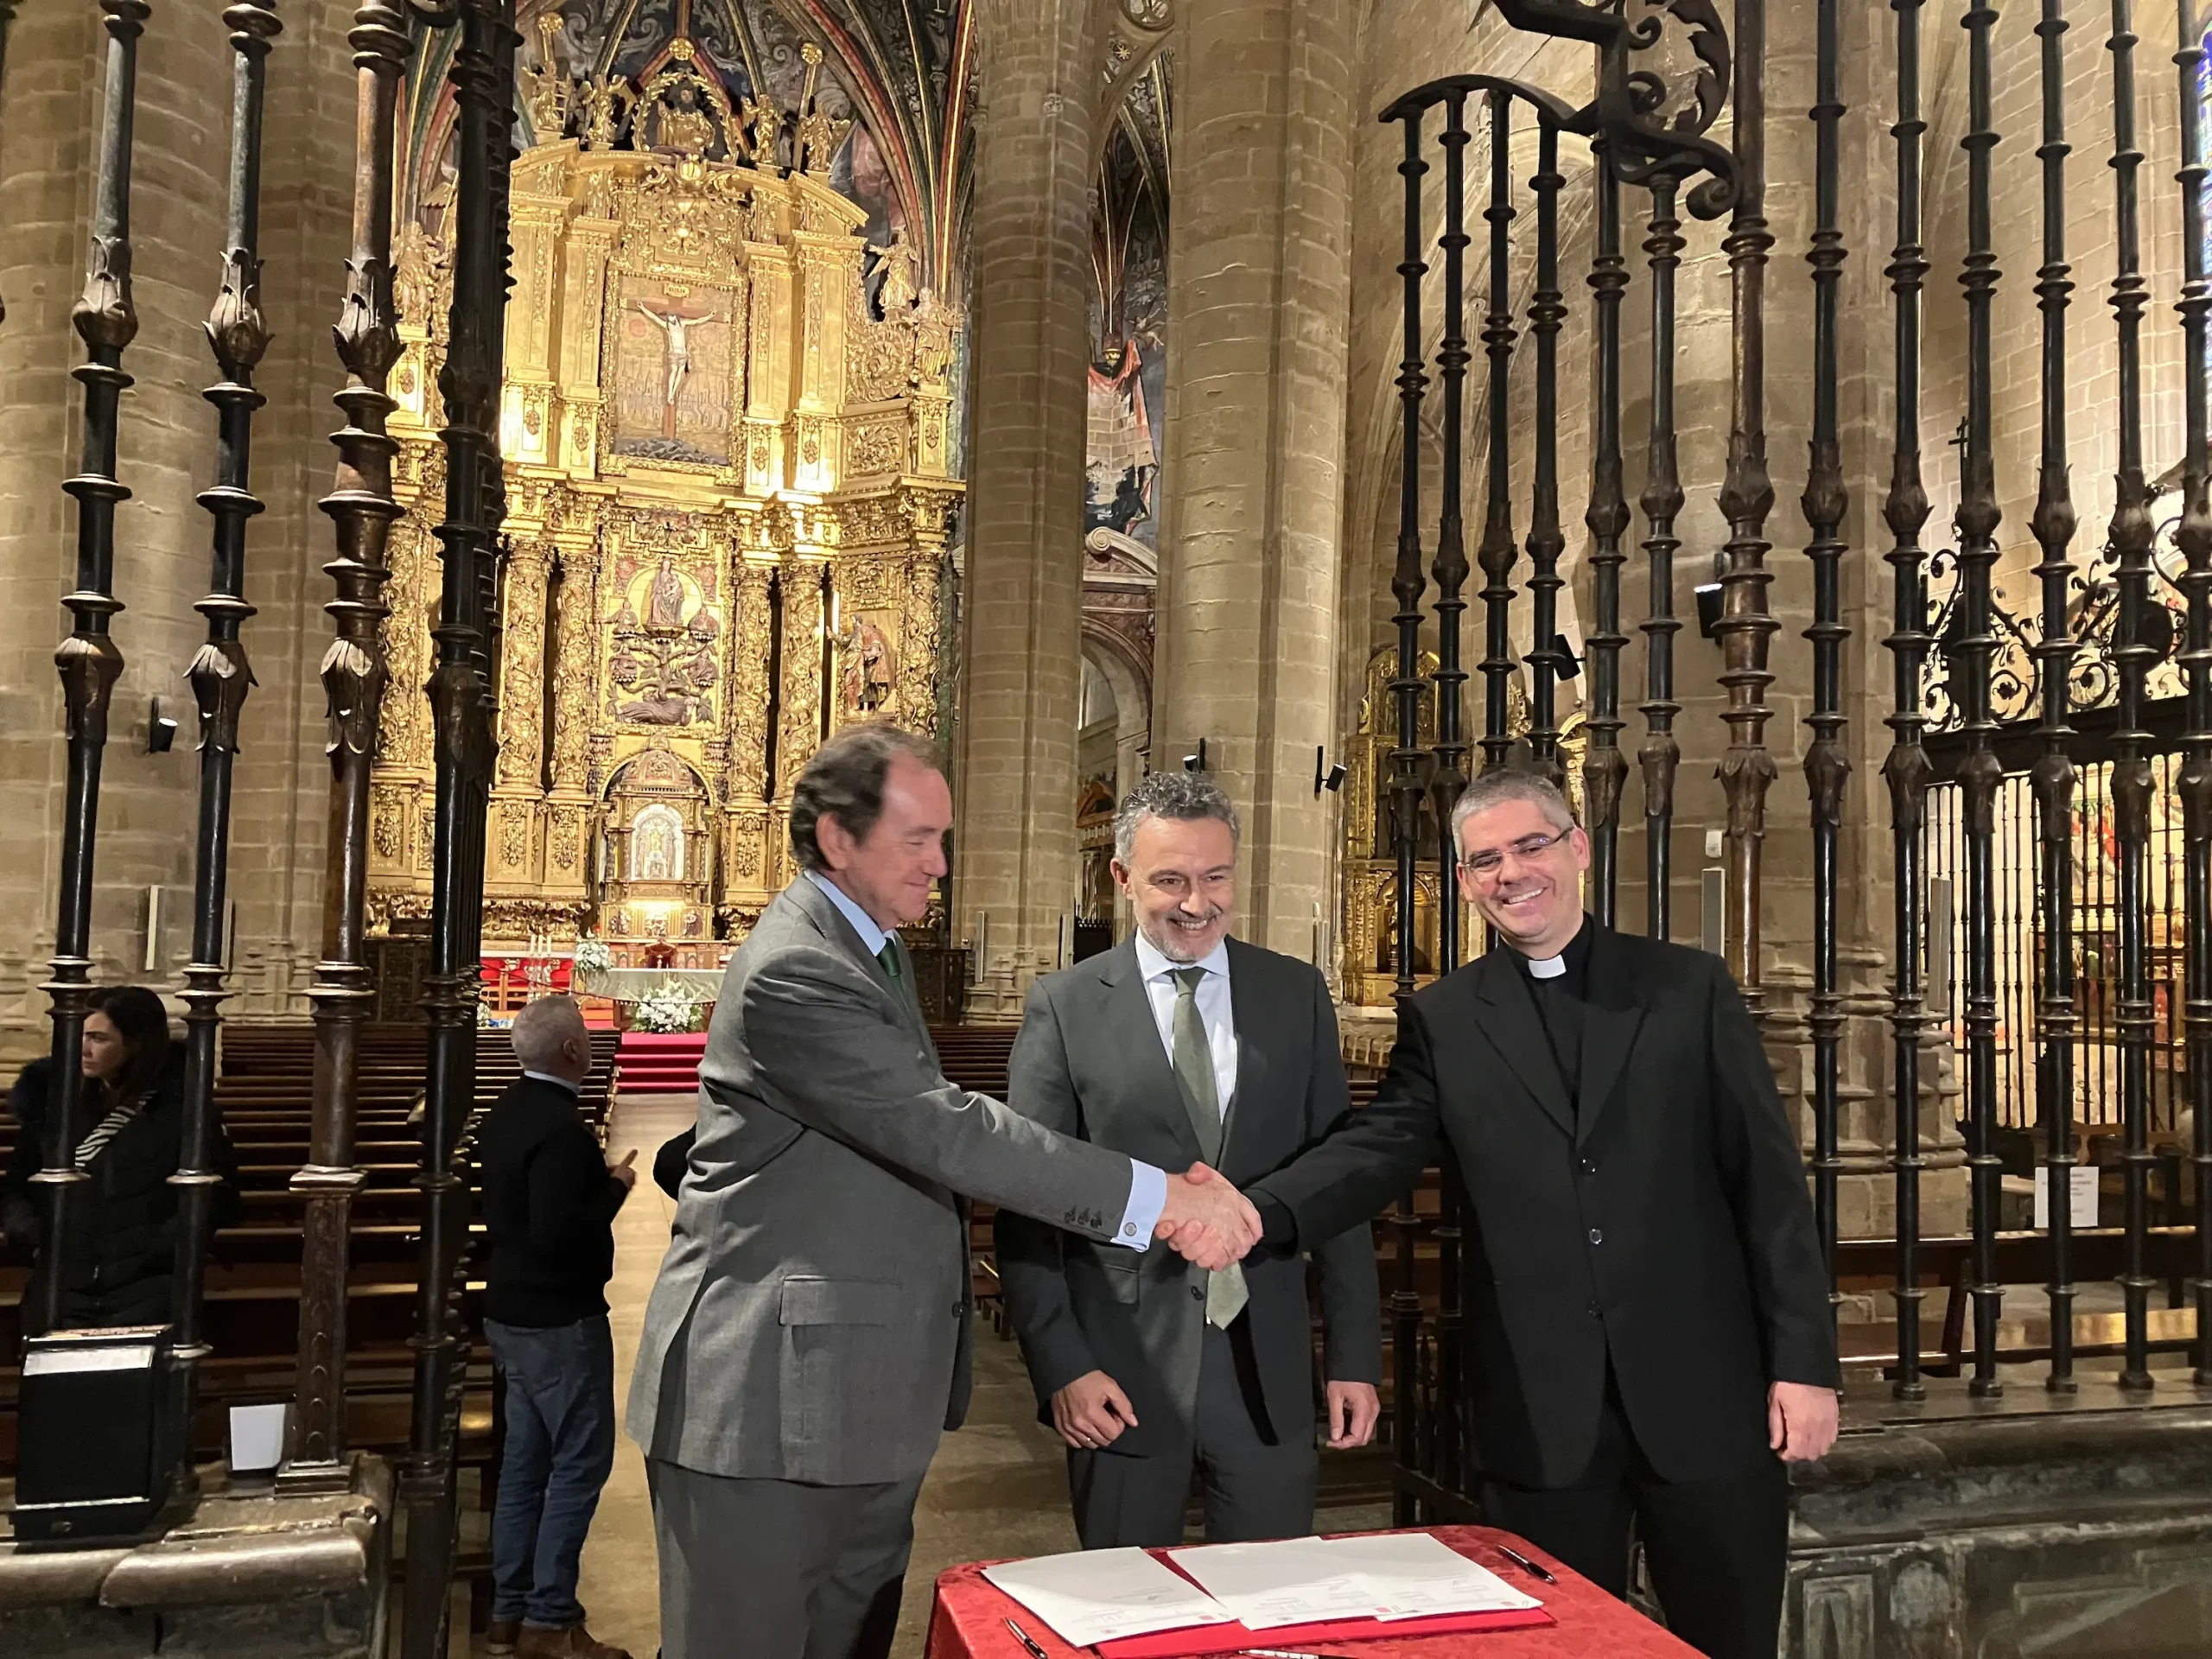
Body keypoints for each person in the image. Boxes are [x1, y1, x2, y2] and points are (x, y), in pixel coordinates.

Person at [626, 724, 1262, 1659]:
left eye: (943, 838)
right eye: (918, 838)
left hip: (850, 1398)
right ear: (838, 838)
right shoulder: (800, 965)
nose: (941, 862)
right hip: (765, 1411)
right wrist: (1161, 1198)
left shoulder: (865, 949)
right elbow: (947, 1130)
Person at [1245, 769, 1840, 1659]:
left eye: (1530, 846)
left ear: (1578, 849)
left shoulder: (1686, 988)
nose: (1511, 873)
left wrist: (1805, 1365)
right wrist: (1255, 1211)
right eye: (1485, 860)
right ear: (1463, 881)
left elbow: (1771, 1188)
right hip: (1541, 1412)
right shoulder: (1445, 1018)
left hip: (1707, 1400)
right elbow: (1378, 1149)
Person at [996, 770, 1382, 1547]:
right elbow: (1028, 1202)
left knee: (1271, 1600)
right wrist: (1062, 1366)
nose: (1197, 903)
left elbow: (1337, 1184)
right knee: (1130, 1601)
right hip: (1121, 1376)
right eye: (1170, 880)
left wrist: (1353, 1355)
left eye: (1216, 878)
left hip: (1267, 1370)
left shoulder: (1295, 994)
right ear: (1122, 877)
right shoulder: (1066, 1005)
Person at [478, 995, 636, 1659]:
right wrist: (614, 1188)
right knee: (576, 1466)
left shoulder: (505, 1112)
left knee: (524, 1466)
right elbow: (557, 1233)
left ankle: (508, 1611)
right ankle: (549, 1622)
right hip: (558, 1318)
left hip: (510, 1310)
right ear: (572, 1050)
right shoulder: (563, 1130)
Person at [0, 985, 237, 1330]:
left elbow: (218, 1194)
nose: (82, 1048)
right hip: (59, 1288)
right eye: (80, 1035)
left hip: (150, 1291)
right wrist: (36, 1238)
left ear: (136, 1043)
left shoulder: (185, 1111)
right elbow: (16, 1189)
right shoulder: (51, 1105)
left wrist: (159, 1250)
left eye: (98, 1038)